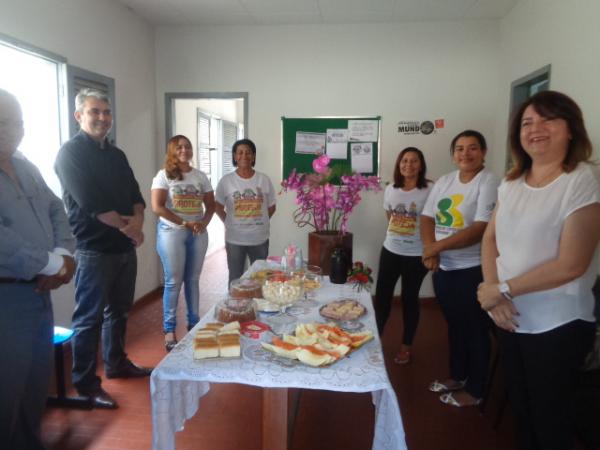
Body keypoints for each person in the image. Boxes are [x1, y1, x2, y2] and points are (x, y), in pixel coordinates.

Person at [477, 91, 599, 450]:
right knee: (524, 412)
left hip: (557, 324)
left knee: (552, 419)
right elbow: (490, 240)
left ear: (571, 129)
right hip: (509, 318)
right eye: (527, 122)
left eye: (548, 119)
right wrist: (491, 290)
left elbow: (572, 264)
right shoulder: (512, 183)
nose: (536, 129)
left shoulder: (583, 180)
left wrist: (503, 289)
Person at [54, 88, 151, 410]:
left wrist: (136, 225)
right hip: (94, 250)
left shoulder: (116, 154)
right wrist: (132, 230)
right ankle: (85, 383)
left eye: (106, 112)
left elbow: (137, 197)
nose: (102, 118)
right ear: (79, 115)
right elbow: (92, 205)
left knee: (119, 312)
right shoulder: (70, 154)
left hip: (124, 248)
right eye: (95, 112)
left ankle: (116, 363)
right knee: (88, 319)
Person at [0, 89, 75, 448]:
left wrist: (64, 253)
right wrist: (53, 263)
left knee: (33, 389)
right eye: (1, 122)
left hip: (38, 295)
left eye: (15, 122)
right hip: (6, 297)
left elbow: (56, 208)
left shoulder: (26, 166)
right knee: (6, 394)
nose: (9, 129)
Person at [421, 129, 498, 407]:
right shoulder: (445, 181)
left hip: (472, 269)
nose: (466, 153)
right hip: (444, 269)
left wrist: (435, 249)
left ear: (484, 152)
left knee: (475, 329)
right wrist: (431, 250)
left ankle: (476, 390)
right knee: (454, 325)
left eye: (473, 148)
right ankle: (458, 375)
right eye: (460, 149)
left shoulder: (487, 182)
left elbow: (480, 229)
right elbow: (427, 217)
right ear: (453, 155)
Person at [151, 135, 215, 351]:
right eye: (179, 147)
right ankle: (169, 330)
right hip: (172, 232)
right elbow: (157, 207)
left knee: (193, 279)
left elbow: (211, 205)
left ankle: (194, 325)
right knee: (173, 281)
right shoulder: (163, 176)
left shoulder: (200, 176)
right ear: (172, 151)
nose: (184, 150)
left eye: (188, 147)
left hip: (197, 233)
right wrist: (185, 223)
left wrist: (203, 223)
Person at [374, 147, 433, 364]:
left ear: (421, 164)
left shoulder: (430, 189)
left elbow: (433, 220)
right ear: (399, 165)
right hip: (390, 251)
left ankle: (406, 346)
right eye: (404, 161)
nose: (408, 165)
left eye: (414, 161)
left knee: (409, 299)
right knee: (382, 299)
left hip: (416, 255)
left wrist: (430, 249)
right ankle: (375, 342)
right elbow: (389, 215)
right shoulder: (391, 189)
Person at [215, 138, 276, 283]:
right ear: (235, 156)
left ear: (253, 156)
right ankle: (235, 305)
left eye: (248, 152)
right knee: (236, 278)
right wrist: (229, 222)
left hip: (259, 238)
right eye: (240, 152)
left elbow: (272, 206)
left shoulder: (264, 179)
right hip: (235, 239)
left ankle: (258, 305)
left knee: (260, 278)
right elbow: (217, 207)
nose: (244, 156)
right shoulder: (226, 181)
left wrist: (259, 221)